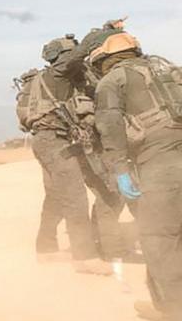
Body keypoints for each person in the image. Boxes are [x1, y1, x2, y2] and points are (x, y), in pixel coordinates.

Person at [91, 32, 182, 320]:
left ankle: (171, 310)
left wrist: (120, 169)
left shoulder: (112, 81)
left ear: (105, 60)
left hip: (159, 163)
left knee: (159, 236)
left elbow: (110, 126)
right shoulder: (171, 71)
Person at [17, 36, 111, 275]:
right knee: (74, 196)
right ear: (61, 58)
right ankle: (85, 257)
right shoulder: (58, 74)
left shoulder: (50, 78)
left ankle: (46, 248)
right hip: (54, 140)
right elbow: (78, 54)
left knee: (56, 197)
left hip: (47, 140)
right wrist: (105, 31)